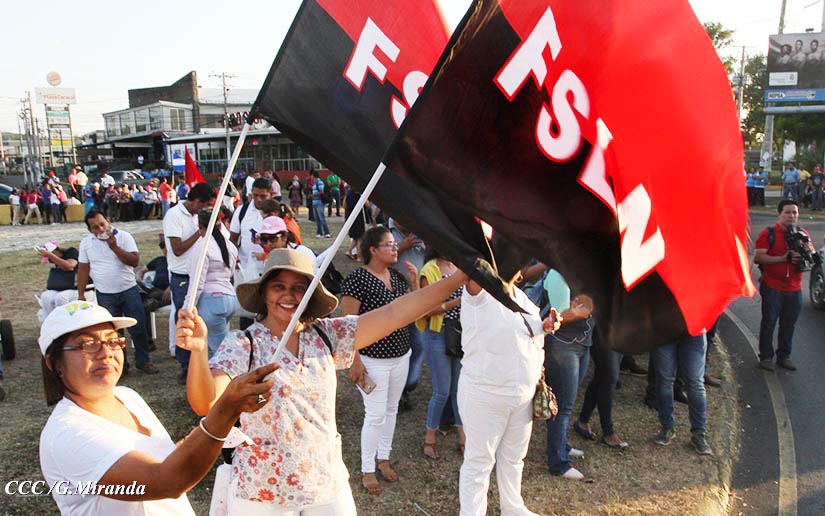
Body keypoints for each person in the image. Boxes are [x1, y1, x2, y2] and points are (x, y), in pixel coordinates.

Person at [177, 248, 467, 513]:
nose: (289, 296)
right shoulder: (244, 344)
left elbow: (396, 313)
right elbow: (207, 403)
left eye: (298, 288)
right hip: (262, 488)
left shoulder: (327, 336)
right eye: (279, 287)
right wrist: (199, 351)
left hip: (325, 479)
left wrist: (461, 276)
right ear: (264, 293)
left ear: (310, 295)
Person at [38, 301, 276, 516]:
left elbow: (168, 458)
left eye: (112, 341)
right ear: (54, 362)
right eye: (87, 344)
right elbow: (166, 481)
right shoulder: (66, 434)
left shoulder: (127, 396)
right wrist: (226, 411)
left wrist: (199, 351)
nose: (106, 353)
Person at [458, 270, 560, 516]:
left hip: (523, 393)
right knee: (479, 461)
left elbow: (526, 333)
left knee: (514, 457)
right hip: (485, 393)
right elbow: (473, 266)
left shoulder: (522, 298)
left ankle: (513, 508)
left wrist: (546, 326)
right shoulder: (479, 294)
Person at [341, 227, 418, 494]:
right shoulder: (357, 279)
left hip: (401, 355)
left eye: (395, 244)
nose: (396, 248)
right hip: (372, 359)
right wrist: (355, 360)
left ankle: (383, 458)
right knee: (374, 414)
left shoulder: (396, 277)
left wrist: (415, 285)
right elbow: (348, 325)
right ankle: (367, 469)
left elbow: (408, 313)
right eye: (389, 244)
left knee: (391, 409)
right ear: (373, 250)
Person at [77, 210, 156, 375]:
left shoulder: (124, 237)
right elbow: (83, 268)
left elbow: (134, 261)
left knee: (138, 327)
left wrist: (114, 247)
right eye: (95, 227)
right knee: (113, 334)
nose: (100, 229)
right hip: (105, 293)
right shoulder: (86, 243)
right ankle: (121, 365)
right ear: (90, 230)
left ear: (108, 221)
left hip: (128, 290)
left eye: (102, 224)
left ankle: (143, 361)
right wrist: (81, 293)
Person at [544, 270, 595, 480]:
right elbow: (558, 315)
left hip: (581, 344)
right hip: (563, 346)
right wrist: (578, 311)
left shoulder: (587, 274)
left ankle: (561, 446)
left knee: (567, 403)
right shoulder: (558, 274)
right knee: (562, 406)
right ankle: (559, 463)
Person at [164, 183, 217, 383]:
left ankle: (201, 363)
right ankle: (185, 366)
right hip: (182, 277)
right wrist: (201, 232)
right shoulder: (174, 215)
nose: (205, 209)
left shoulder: (196, 215)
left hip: (199, 274)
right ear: (196, 201)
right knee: (185, 320)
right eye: (205, 205)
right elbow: (177, 249)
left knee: (200, 321)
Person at [755, 199, 813, 372]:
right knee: (769, 323)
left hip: (795, 288)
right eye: (787, 212)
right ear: (779, 214)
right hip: (773, 286)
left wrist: (807, 252)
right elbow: (758, 257)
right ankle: (766, 357)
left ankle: (784, 356)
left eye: (794, 212)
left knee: (789, 324)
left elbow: (811, 254)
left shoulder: (803, 233)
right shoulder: (769, 233)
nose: (791, 216)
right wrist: (783, 258)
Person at [417, 253, 464, 460]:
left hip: (460, 333)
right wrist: (457, 302)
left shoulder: (459, 266)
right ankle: (429, 438)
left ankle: (463, 437)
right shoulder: (429, 270)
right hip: (438, 334)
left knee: (458, 391)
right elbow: (426, 310)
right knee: (442, 391)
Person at [184, 209, 238, 358]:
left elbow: (197, 282)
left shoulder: (202, 247)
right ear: (220, 225)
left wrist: (188, 308)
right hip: (229, 298)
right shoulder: (230, 246)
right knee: (220, 346)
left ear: (200, 227)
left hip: (212, 300)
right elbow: (230, 273)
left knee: (218, 353)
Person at [388, 219, 428, 411]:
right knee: (396, 346)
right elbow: (370, 260)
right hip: (393, 301)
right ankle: (396, 391)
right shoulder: (386, 233)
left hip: (416, 296)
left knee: (418, 344)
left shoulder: (420, 232)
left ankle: (408, 385)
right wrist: (402, 246)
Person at [652, 333, 713, 455]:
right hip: (663, 331)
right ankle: (667, 427)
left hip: (694, 333)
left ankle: (699, 433)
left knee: (695, 383)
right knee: (664, 381)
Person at [230, 177, 273, 329]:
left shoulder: (276, 213)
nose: (258, 199)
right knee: (247, 312)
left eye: (263, 196)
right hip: (246, 272)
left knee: (269, 312)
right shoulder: (242, 212)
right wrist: (233, 257)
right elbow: (233, 238)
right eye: (255, 195)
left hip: (270, 271)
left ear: (271, 194)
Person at [37, 243, 80, 322]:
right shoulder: (56, 259)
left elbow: (70, 266)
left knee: (60, 298)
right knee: (45, 296)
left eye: (49, 258)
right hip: (64, 287)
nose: (51, 261)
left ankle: (67, 321)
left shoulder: (72, 252)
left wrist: (51, 256)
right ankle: (52, 321)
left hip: (77, 287)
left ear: (55, 252)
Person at [309, 171, 331, 238]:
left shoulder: (319, 182)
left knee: (322, 217)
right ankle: (319, 233)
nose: (310, 177)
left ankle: (327, 232)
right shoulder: (314, 183)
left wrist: (313, 195)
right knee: (317, 219)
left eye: (311, 175)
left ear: (313, 175)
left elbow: (321, 192)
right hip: (314, 202)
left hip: (319, 202)